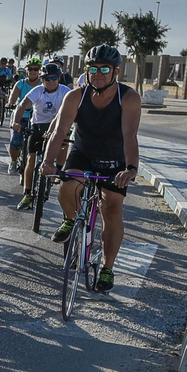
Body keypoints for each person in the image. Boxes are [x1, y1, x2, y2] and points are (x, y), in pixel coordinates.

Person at [45, 44, 142, 291]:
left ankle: (107, 268)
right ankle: (70, 219)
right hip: (84, 154)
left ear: (116, 72)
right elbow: (59, 132)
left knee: (112, 207)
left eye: (104, 69)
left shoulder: (128, 97)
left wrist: (131, 168)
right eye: (93, 68)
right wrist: (48, 162)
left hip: (114, 159)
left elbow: (130, 136)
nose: (98, 73)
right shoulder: (75, 96)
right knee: (67, 187)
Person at [13, 60, 72, 210]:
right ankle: (27, 194)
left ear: (59, 78)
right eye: (47, 78)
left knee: (64, 142)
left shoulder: (65, 91)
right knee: (30, 158)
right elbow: (22, 105)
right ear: (42, 79)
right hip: (38, 127)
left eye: (54, 78)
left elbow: (74, 108)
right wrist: (16, 122)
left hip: (58, 127)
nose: (51, 81)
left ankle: (58, 171)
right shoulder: (38, 91)